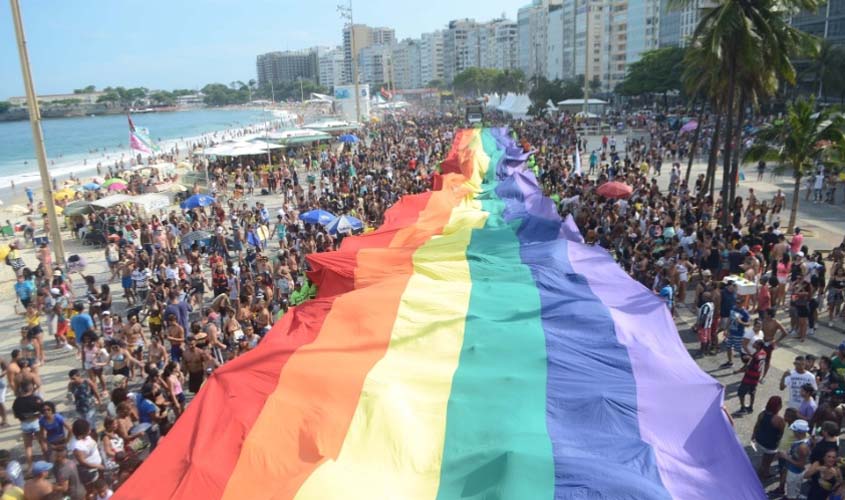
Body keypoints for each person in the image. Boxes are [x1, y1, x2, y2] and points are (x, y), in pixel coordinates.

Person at [752, 396, 785, 480]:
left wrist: (753, 436)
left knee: (764, 458)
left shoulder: (762, 414)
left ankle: (762, 470)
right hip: (770, 445)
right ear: (779, 406)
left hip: (759, 440)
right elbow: (782, 433)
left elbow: (757, 426)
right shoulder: (779, 420)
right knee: (767, 462)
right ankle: (764, 474)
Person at [10, 381, 41, 469]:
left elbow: (16, 416)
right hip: (36, 422)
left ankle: (30, 468)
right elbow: (42, 411)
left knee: (28, 447)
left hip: (25, 425)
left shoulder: (17, 401)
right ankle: (47, 462)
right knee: (43, 443)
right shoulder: (35, 398)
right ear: (31, 388)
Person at [780, 419, 811, 500]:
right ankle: (797, 495)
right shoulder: (806, 439)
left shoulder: (802, 447)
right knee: (795, 488)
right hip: (796, 471)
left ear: (799, 432)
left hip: (795, 473)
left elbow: (801, 464)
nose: (793, 432)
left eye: (794, 430)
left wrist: (785, 457)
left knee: (791, 494)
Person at [71, 419, 104, 492]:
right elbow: (83, 462)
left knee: (101, 487)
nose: (90, 429)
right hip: (89, 472)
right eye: (88, 428)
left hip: (98, 467)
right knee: (92, 490)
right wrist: (97, 466)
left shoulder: (87, 437)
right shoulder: (77, 446)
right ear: (82, 432)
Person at [734, 339, 766, 413]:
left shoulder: (756, 355)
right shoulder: (763, 353)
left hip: (749, 377)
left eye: (755, 343)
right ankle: (751, 407)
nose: (753, 344)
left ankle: (742, 408)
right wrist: (750, 357)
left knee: (741, 392)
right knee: (752, 392)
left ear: (759, 346)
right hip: (756, 377)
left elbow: (747, 367)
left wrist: (737, 371)